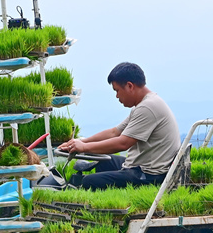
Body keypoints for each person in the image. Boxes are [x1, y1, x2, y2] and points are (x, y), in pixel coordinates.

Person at [58, 62, 180, 190]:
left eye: (117, 90)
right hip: (143, 167)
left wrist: (83, 148)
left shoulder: (147, 108)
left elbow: (123, 143)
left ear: (129, 86)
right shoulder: (145, 104)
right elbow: (114, 132)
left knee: (89, 181)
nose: (117, 96)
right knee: (104, 161)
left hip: (149, 175)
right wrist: (81, 142)